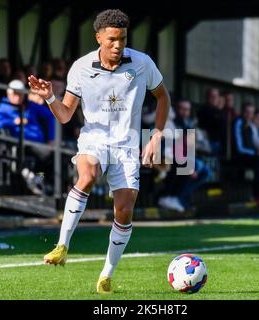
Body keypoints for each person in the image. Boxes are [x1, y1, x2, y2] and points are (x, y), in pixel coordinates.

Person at [28, 9, 170, 293]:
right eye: (112, 40)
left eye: (123, 39)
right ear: (99, 38)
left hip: (127, 145)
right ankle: (62, 245)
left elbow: (162, 96)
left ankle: (106, 274)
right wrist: (50, 98)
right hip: (94, 139)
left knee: (125, 211)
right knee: (88, 174)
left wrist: (156, 135)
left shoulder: (142, 63)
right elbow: (66, 115)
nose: (118, 45)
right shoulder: (81, 67)